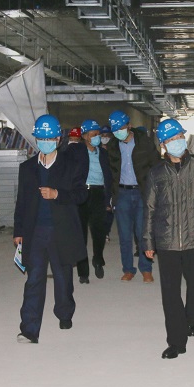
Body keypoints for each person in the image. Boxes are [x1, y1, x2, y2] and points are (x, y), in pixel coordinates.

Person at [142, 119, 194, 360]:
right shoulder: (156, 173)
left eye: (178, 137)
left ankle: (190, 318)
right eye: (170, 140)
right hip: (167, 240)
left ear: (184, 138)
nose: (175, 142)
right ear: (163, 145)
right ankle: (176, 341)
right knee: (170, 291)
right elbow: (149, 209)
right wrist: (148, 241)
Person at [13, 114, 88, 344]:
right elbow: (21, 201)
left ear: (58, 139)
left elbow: (81, 195)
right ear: (36, 139)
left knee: (63, 277)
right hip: (35, 232)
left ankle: (64, 313)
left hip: (60, 231)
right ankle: (29, 329)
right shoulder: (27, 168)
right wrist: (18, 231)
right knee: (34, 278)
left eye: (49, 138)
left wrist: (58, 194)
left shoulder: (70, 165)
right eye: (41, 138)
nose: (45, 142)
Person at [106, 110, 159, 283]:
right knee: (124, 235)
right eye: (115, 130)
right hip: (122, 194)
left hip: (142, 192)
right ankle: (128, 269)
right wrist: (110, 196)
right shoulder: (113, 146)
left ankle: (146, 269)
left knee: (143, 232)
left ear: (129, 125)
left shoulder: (144, 142)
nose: (118, 132)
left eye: (121, 128)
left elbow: (156, 166)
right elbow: (110, 173)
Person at [75, 119, 113, 283]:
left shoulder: (103, 154)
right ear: (85, 136)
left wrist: (108, 198)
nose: (97, 137)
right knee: (80, 234)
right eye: (93, 134)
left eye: (98, 134)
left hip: (99, 193)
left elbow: (109, 176)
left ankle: (98, 260)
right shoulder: (76, 152)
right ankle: (83, 271)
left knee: (99, 231)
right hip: (82, 194)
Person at [99, 125, 115, 241]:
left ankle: (106, 231)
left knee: (109, 208)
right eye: (103, 135)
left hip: (111, 183)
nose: (105, 138)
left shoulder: (114, 151)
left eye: (107, 136)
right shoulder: (97, 151)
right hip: (99, 183)